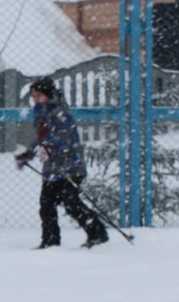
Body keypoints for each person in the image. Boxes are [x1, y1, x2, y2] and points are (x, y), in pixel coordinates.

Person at [15, 78, 109, 249]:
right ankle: (50, 240)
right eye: (34, 96)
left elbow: (65, 138)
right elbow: (42, 138)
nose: (36, 99)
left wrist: (49, 146)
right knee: (46, 205)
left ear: (49, 95)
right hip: (52, 169)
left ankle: (97, 234)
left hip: (69, 167)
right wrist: (29, 153)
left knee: (71, 204)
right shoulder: (41, 114)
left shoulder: (60, 113)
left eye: (39, 95)